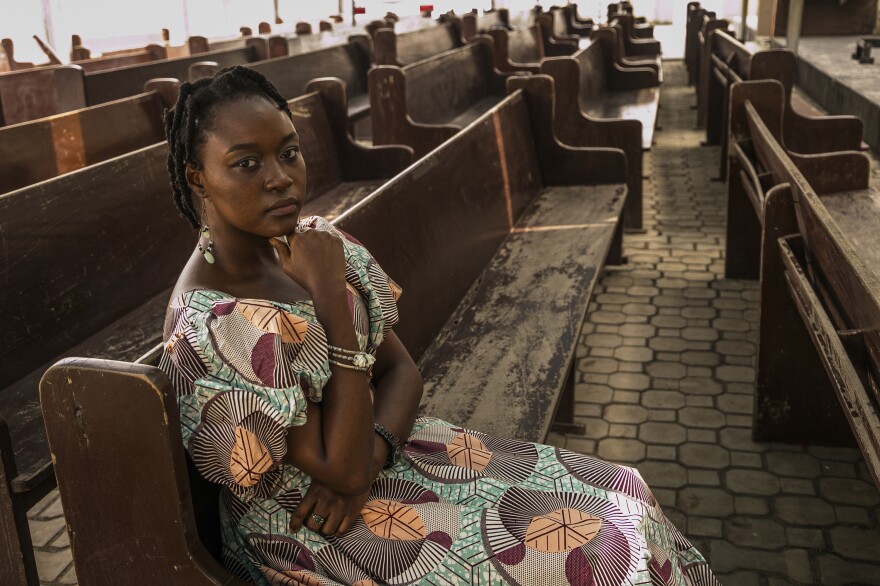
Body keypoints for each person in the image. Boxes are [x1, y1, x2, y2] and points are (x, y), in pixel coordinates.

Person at [159, 66, 719, 586]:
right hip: (309, 529)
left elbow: (402, 370)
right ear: (198, 178)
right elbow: (337, 469)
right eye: (246, 164)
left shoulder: (314, 243)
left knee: (623, 493)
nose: (280, 179)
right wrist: (329, 297)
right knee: (592, 557)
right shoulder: (216, 322)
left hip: (384, 457)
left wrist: (376, 452)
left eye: (289, 153)